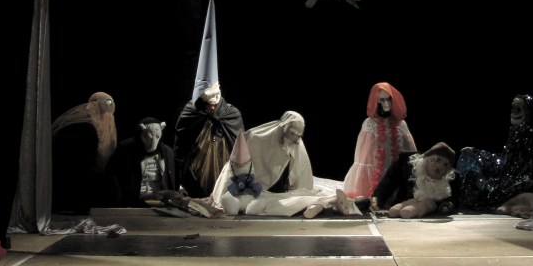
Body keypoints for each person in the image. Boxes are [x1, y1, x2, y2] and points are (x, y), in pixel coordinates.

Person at [211, 111, 356, 218]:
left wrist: (301, 189)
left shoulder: (295, 142)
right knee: (275, 203)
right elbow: (236, 166)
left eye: (298, 135)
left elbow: (301, 171)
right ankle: (326, 203)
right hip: (248, 185)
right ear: (283, 126)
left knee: (300, 196)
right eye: (292, 133)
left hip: (272, 188)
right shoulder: (256, 137)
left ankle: (328, 203)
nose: (295, 138)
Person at [455, 94, 533, 213]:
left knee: (470, 160)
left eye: (518, 109)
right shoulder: (516, 132)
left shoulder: (525, 133)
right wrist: (476, 152)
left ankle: (471, 198)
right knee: (468, 156)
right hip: (505, 173)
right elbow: (504, 159)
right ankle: (467, 197)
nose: (514, 112)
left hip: (511, 180)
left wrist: (477, 153)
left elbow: (512, 166)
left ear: (527, 111)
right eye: (513, 108)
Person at [343, 82, 417, 200]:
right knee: (364, 199)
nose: (386, 103)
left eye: (388, 99)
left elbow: (411, 151)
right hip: (376, 171)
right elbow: (364, 156)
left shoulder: (401, 124)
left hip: (395, 173)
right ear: (375, 102)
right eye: (382, 100)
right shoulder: (370, 124)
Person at [174, 82, 245, 198]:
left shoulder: (231, 114)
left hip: (224, 164)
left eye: (215, 105)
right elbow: (181, 145)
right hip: (196, 166)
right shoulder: (192, 111)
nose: (212, 108)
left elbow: (240, 146)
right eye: (208, 104)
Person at [51, 91, 118, 213]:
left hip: (65, 196)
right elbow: (83, 169)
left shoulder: (77, 124)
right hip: (72, 198)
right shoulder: (86, 130)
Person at [371, 142, 460, 218]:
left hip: (430, 213)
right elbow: (386, 185)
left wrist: (447, 206)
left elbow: (453, 199)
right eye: (438, 160)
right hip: (403, 206)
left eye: (445, 164)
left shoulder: (451, 177)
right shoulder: (406, 164)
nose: (439, 166)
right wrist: (374, 203)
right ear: (429, 158)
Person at [107, 117, 176, 207]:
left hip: (160, 201)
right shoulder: (126, 149)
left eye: (157, 137)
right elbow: (112, 174)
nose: (153, 143)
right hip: (134, 202)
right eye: (148, 137)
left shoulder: (167, 152)